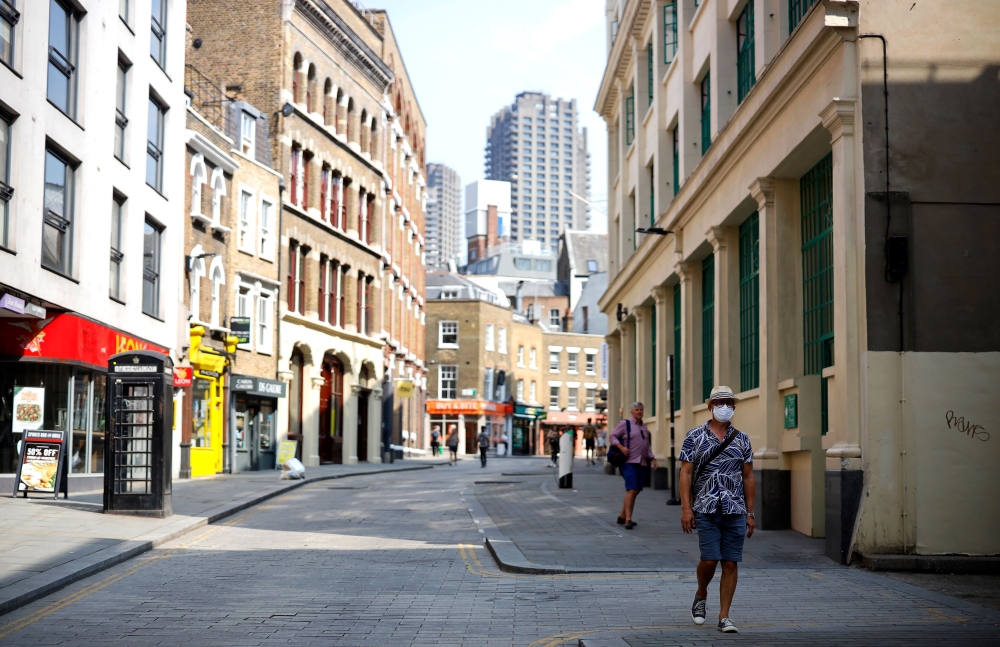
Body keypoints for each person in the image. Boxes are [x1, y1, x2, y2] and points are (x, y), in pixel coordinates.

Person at [679, 386, 755, 634]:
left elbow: (748, 476)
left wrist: (750, 513)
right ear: (710, 406)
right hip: (705, 507)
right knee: (709, 559)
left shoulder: (742, 439)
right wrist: (686, 509)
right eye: (720, 402)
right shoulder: (694, 436)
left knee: (730, 562)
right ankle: (701, 593)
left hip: (734, 508)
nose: (725, 407)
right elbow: (686, 473)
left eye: (729, 403)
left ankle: (724, 616)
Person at [609, 403, 658, 529]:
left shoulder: (644, 427)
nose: (639, 412)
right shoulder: (625, 424)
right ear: (632, 412)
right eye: (637, 410)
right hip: (628, 462)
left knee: (635, 491)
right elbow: (612, 436)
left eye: (641, 410)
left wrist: (652, 458)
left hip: (641, 462)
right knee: (631, 489)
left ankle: (622, 516)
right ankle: (628, 519)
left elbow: (647, 446)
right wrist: (621, 447)